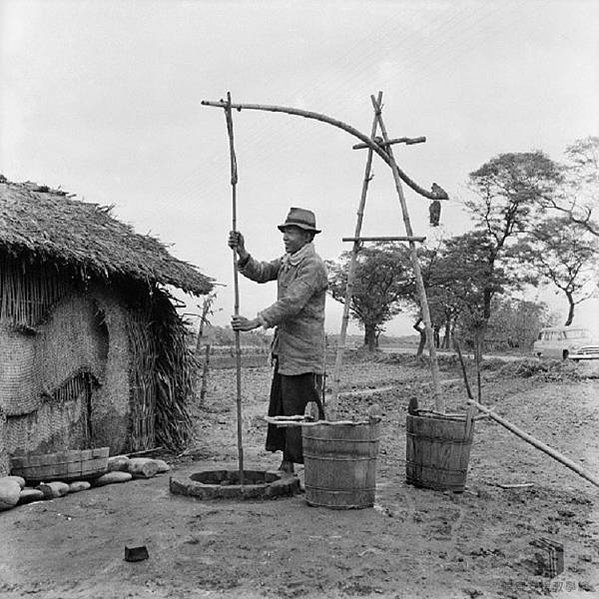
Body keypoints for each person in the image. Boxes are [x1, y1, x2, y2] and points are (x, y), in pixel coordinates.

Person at [228, 207, 328, 474]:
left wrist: (257, 321)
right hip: (285, 349)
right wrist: (242, 252)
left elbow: (292, 302)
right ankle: (287, 462)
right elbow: (261, 272)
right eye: (285, 231)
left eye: (292, 232)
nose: (286, 237)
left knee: (303, 408)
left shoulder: (312, 265)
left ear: (307, 236)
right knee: (284, 405)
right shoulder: (288, 260)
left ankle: (318, 463)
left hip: (304, 351)